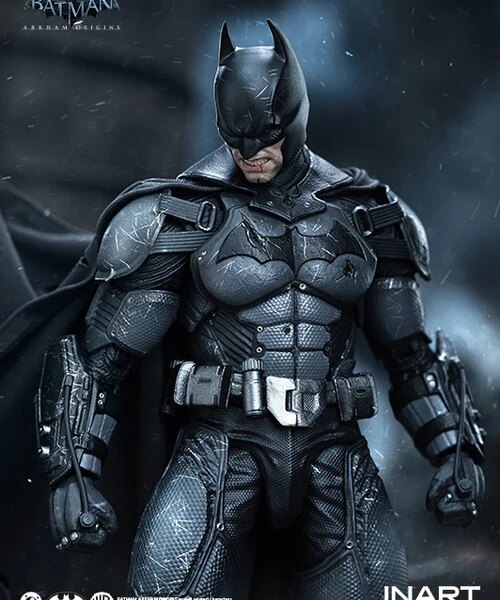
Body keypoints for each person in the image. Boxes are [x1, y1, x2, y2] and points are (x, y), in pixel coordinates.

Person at [35, 20, 485, 600]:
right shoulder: (182, 215)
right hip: (222, 447)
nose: (250, 153)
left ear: (294, 118)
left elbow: (408, 355)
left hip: (333, 453)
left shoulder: (366, 215)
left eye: (266, 136)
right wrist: (72, 471)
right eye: (236, 136)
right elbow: (104, 360)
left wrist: (452, 449)